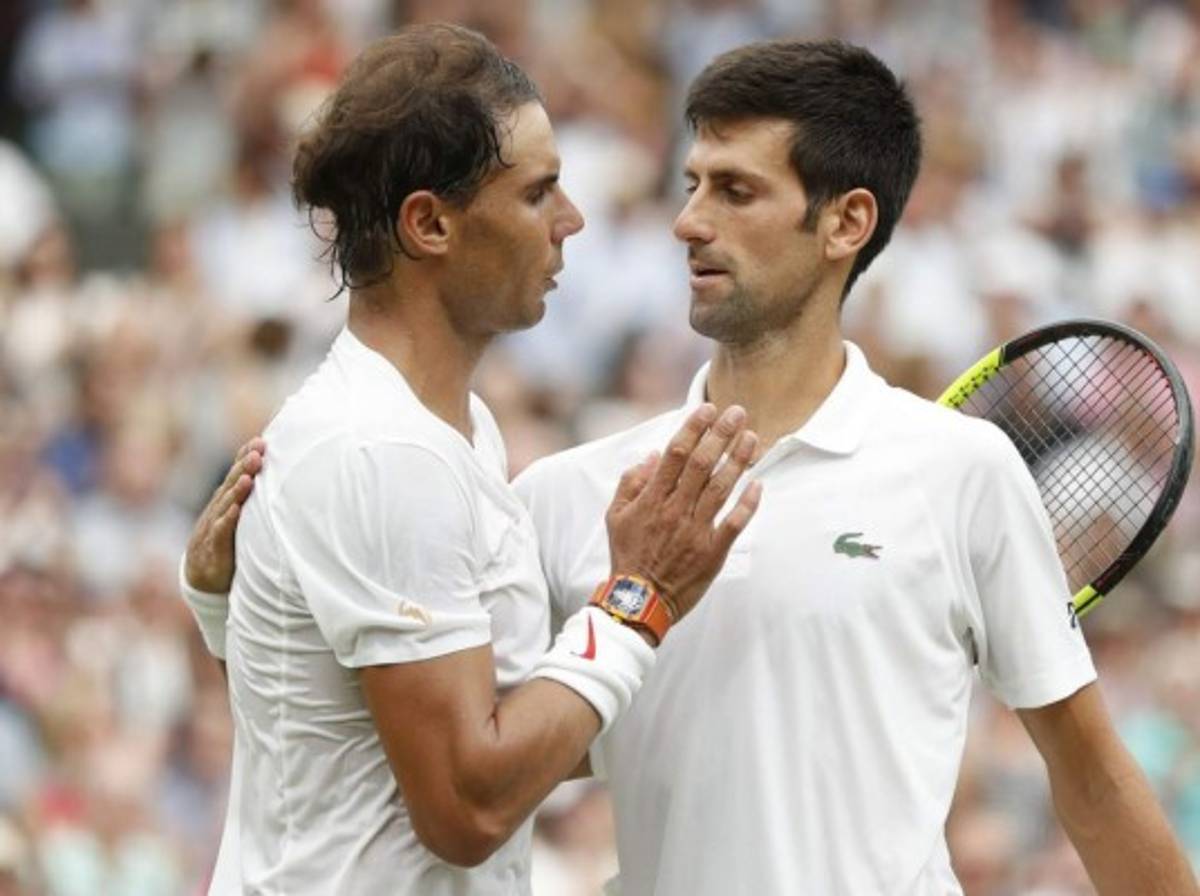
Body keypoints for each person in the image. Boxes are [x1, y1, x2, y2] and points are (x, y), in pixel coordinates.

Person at [189, 38, 1199, 895]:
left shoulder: (963, 469)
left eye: (735, 190)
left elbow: (1095, 779)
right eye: (691, 185)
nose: (687, 220)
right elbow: (443, 744)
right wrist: (242, 603)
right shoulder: (568, 495)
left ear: (847, 222)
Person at [178, 24, 762, 895]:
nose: (572, 222)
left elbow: (349, 724)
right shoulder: (384, 453)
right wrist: (641, 598)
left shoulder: (449, 431)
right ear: (431, 224)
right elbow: (466, 808)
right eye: (537, 194)